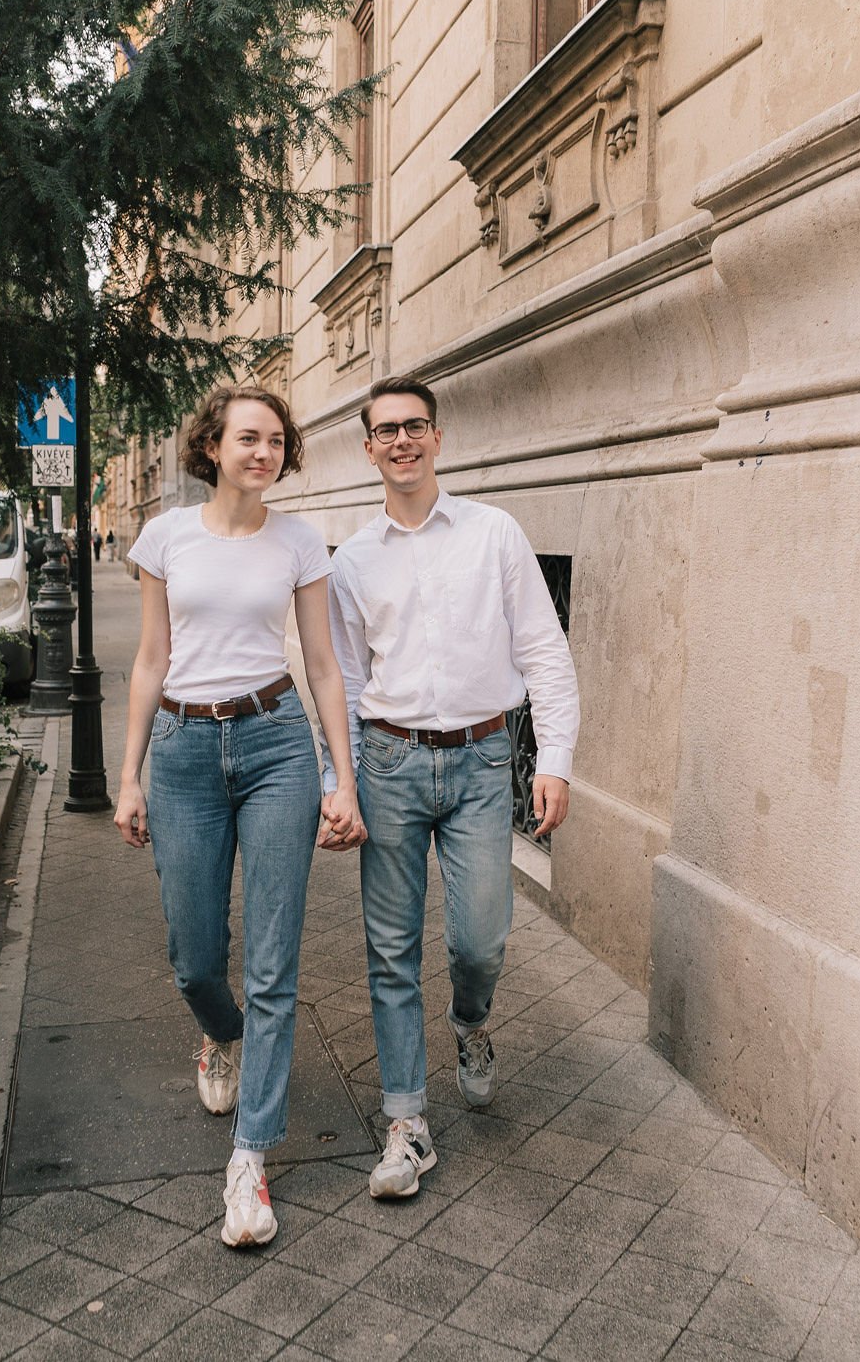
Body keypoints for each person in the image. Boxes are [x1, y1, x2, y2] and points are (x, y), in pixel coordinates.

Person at [113, 385, 366, 1248]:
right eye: (248, 438)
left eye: (276, 440)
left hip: (277, 745)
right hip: (183, 751)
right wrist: (129, 774)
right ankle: (221, 1037)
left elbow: (325, 665)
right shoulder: (165, 537)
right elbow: (151, 659)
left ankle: (250, 1158)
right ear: (212, 446)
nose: (265, 451)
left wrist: (343, 777)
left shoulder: (299, 541)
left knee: (273, 958)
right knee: (193, 956)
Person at [322, 376, 579, 1199]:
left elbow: (543, 649)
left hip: (478, 762)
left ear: (438, 438)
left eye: (416, 426)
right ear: (367, 447)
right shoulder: (351, 561)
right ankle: (407, 1124)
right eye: (386, 430)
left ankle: (470, 1023)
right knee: (391, 951)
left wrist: (555, 758)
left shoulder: (495, 533)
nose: (402, 440)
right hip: (390, 764)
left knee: (480, 940)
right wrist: (343, 783)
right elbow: (346, 685)